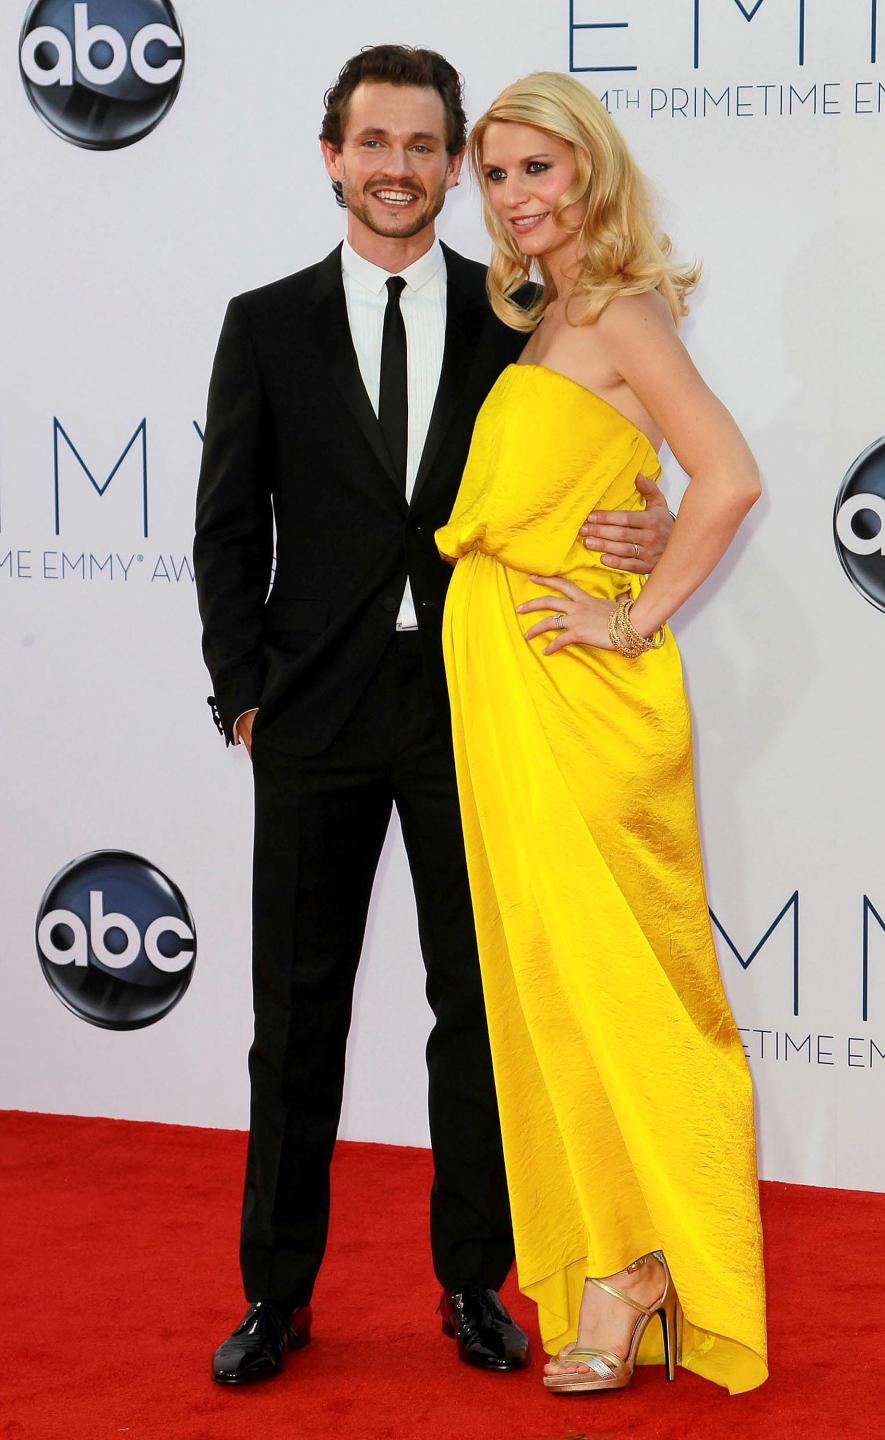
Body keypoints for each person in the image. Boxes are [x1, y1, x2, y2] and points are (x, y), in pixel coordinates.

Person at [193, 46, 671, 1387]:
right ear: (332, 156)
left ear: (454, 165)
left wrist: (648, 529)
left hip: (481, 706)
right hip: (311, 715)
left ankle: (475, 1281)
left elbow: (608, 455)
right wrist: (243, 697)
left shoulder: (515, 311)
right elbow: (227, 528)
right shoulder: (266, 322)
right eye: (373, 142)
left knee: (478, 1010)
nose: (398, 167)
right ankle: (275, 1299)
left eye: (424, 145)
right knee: (296, 1017)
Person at [436, 71, 769, 1397]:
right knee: (551, 992)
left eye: (538, 170)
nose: (516, 200)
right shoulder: (542, 319)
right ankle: (617, 1266)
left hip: (581, 699)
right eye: (498, 177)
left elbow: (729, 476)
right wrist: (628, 525)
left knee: (622, 987)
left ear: (592, 172)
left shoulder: (621, 309)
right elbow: (616, 474)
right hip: (512, 696)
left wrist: (633, 618)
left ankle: (648, 1267)